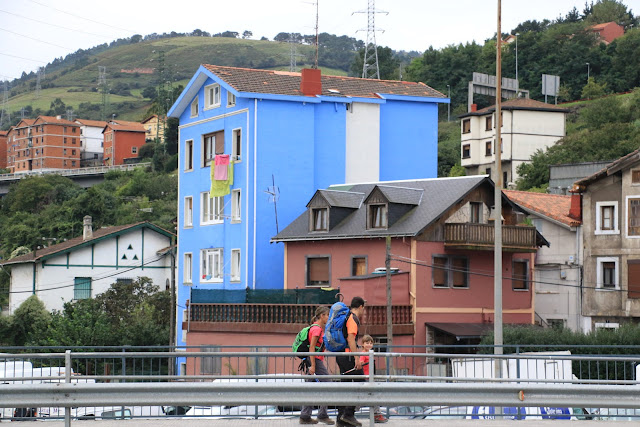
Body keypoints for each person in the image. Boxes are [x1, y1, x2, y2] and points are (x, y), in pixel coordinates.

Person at [300, 306, 335, 425]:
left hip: (313, 361)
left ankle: (305, 416)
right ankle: (322, 414)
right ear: (321, 316)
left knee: (309, 388)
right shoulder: (317, 329)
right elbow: (312, 347)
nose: (328, 317)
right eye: (327, 315)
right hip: (315, 361)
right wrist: (313, 365)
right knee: (328, 385)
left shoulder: (317, 328)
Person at [335, 296, 365, 427]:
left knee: (345, 385)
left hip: (341, 355)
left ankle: (340, 419)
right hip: (348, 356)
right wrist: (356, 358)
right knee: (360, 382)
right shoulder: (352, 318)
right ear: (360, 307)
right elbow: (351, 339)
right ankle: (348, 414)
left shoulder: (346, 317)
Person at [360, 335, 388, 423]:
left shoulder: (370, 353)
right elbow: (360, 363)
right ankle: (376, 414)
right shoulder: (364, 354)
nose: (369, 345)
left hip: (371, 378)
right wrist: (363, 363)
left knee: (371, 396)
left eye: (370, 343)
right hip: (367, 378)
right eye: (367, 343)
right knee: (372, 396)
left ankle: (376, 414)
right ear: (363, 344)